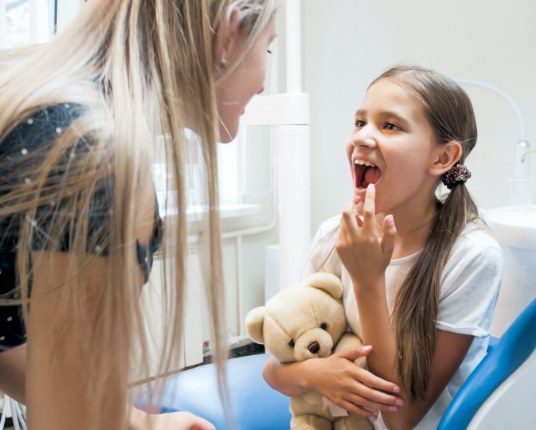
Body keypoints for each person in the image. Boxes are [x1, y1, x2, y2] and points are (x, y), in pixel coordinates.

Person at [0, 0, 278, 429]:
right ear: (227, 32)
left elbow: (6, 345)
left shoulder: (39, 97)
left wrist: (141, 422)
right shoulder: (92, 154)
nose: (264, 82)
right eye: (269, 47)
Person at [263, 66, 503, 429]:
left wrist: (368, 280)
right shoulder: (334, 235)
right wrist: (317, 375)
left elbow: (401, 418)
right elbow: (274, 370)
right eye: (360, 122)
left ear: (442, 158)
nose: (363, 137)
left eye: (390, 125)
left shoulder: (471, 256)